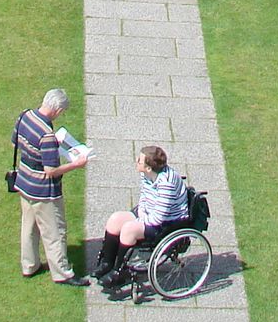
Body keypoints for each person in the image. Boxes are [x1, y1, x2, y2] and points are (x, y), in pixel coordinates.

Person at [13, 88, 91, 285]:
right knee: (55, 232)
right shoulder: (47, 135)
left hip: (24, 182)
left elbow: (16, 142)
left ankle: (29, 265)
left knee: (29, 227)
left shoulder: (24, 116)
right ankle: (62, 273)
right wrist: (77, 164)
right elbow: (51, 171)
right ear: (58, 110)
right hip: (44, 191)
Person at [94, 144, 191, 289]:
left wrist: (139, 221)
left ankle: (119, 272)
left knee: (129, 229)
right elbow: (144, 198)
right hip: (148, 214)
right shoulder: (146, 174)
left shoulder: (166, 183)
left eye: (139, 160)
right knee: (115, 219)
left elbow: (158, 218)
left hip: (166, 224)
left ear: (149, 168)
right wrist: (141, 214)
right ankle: (107, 263)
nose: (136, 161)